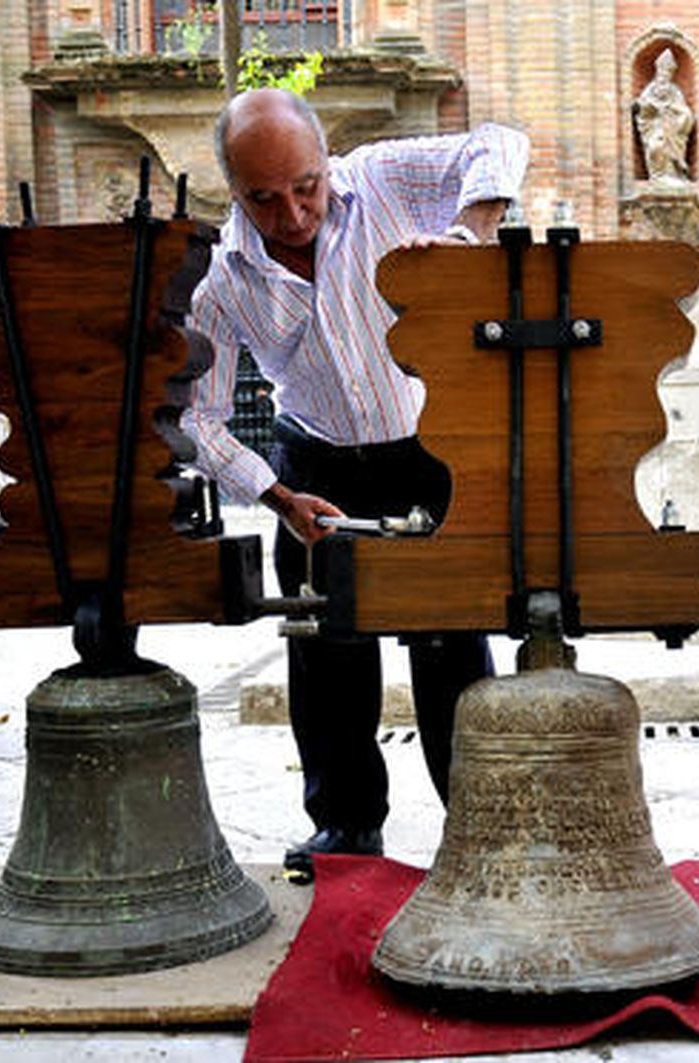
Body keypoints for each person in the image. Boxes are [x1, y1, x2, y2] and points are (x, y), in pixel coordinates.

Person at [182, 88, 529, 880]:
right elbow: (199, 418)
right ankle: (345, 827)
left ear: (325, 156)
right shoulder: (222, 280)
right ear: (233, 189)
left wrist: (472, 231)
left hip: (426, 456)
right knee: (326, 659)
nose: (293, 214)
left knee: (453, 653)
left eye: (304, 186)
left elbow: (500, 142)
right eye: (263, 198)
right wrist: (276, 495)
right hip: (315, 473)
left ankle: (477, 829)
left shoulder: (381, 179)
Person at [632, 48, 694, 186]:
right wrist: (649, 108)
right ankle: (657, 175)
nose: (664, 77)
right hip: (655, 126)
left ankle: (673, 174)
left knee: (669, 148)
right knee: (656, 146)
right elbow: (641, 107)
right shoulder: (650, 89)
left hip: (671, 129)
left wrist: (672, 111)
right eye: (662, 73)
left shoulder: (675, 91)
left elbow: (684, 112)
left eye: (668, 74)